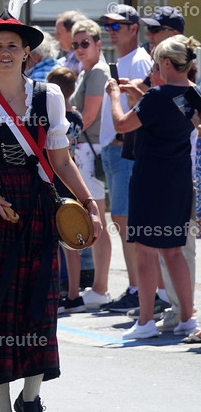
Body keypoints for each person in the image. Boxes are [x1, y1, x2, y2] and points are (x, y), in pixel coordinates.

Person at [0, 1, 102, 412]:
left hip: (36, 207)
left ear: (27, 53)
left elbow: (60, 159)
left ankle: (31, 398)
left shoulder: (47, 97)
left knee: (38, 304)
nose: (5, 53)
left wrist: (88, 202)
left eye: (13, 46)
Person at [109, 35, 200, 340]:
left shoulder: (157, 95)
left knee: (146, 252)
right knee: (173, 251)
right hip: (179, 178)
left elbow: (122, 125)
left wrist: (113, 95)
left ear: (165, 63)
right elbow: (170, 116)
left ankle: (146, 321)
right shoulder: (193, 94)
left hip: (150, 179)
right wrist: (139, 96)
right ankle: (188, 318)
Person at [99, 5, 153, 314]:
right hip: (115, 147)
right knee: (121, 220)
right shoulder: (125, 60)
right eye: (108, 25)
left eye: (117, 26)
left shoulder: (139, 60)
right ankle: (137, 288)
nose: (110, 30)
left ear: (134, 29)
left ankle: (138, 289)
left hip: (125, 148)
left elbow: (141, 107)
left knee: (126, 220)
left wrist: (121, 139)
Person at [68, 18, 113, 308]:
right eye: (75, 45)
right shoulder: (87, 71)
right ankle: (99, 287)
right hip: (85, 149)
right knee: (95, 218)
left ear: (98, 44)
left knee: (98, 220)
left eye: (85, 43)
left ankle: (100, 287)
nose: (80, 49)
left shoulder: (97, 71)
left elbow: (88, 117)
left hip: (91, 149)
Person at [46, 67, 87, 313]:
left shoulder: (55, 118)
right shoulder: (78, 117)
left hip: (57, 178)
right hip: (74, 177)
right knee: (72, 240)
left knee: (55, 239)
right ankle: (74, 293)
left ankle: (58, 291)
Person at [54, 10, 87, 77]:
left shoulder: (83, 59)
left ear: (73, 32)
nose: (56, 38)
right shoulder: (68, 58)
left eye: (59, 33)